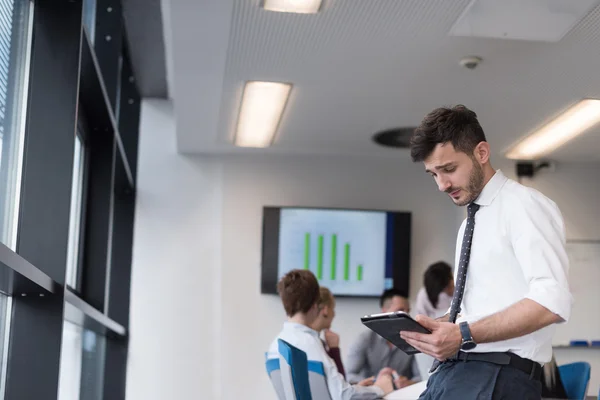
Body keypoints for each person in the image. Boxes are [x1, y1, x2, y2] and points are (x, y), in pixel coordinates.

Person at [400, 105, 572, 399]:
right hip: (455, 371)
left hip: (499, 375)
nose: (442, 185)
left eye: (449, 169)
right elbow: (483, 307)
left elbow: (550, 302)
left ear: (481, 153)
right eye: (433, 175)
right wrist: (441, 326)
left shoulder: (524, 206)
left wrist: (463, 334)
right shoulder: (470, 222)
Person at [267, 270, 394, 399]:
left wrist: (359, 389)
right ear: (315, 304)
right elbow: (343, 395)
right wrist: (379, 389)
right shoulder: (310, 345)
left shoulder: (275, 345)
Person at [346, 289, 421, 388]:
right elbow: (349, 375)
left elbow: (421, 376)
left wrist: (408, 383)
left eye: (408, 311)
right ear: (384, 311)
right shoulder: (365, 339)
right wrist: (377, 381)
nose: (407, 315)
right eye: (401, 310)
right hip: (370, 395)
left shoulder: (413, 340)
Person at [311, 286, 346, 378]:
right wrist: (334, 350)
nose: (334, 314)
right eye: (333, 309)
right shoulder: (316, 344)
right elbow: (339, 386)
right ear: (325, 310)